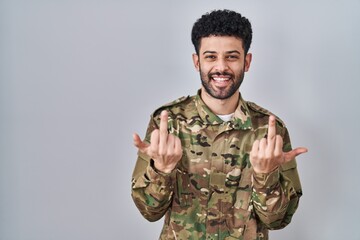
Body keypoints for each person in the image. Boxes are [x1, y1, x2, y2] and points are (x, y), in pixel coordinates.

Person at [131, 9, 308, 240]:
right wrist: (161, 170)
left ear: (247, 61)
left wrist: (266, 175)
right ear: (197, 62)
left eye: (232, 57)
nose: (221, 67)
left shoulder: (270, 130)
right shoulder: (168, 123)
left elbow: (277, 221)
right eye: (211, 56)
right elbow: (149, 211)